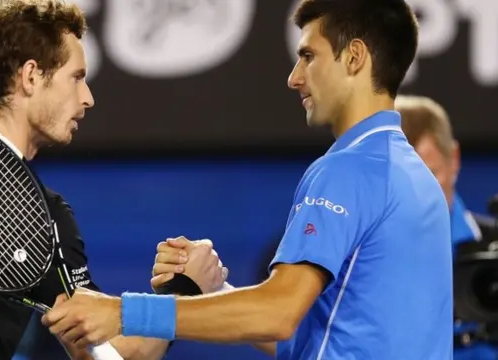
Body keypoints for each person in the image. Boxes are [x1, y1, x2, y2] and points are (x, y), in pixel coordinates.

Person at [39, 0, 455, 358]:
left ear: (355, 57)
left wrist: (120, 311)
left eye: (309, 56)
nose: (294, 77)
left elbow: (277, 314)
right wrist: (213, 290)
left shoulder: (347, 169)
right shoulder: (415, 177)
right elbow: (316, 337)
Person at [0, 1, 225, 359]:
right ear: (31, 76)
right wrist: (184, 289)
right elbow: (115, 357)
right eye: (77, 78)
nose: (88, 98)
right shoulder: (37, 217)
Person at [394, 95, 497, 359]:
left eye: (430, 173)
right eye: (399, 178)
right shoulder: (344, 258)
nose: (417, 193)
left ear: (454, 159)